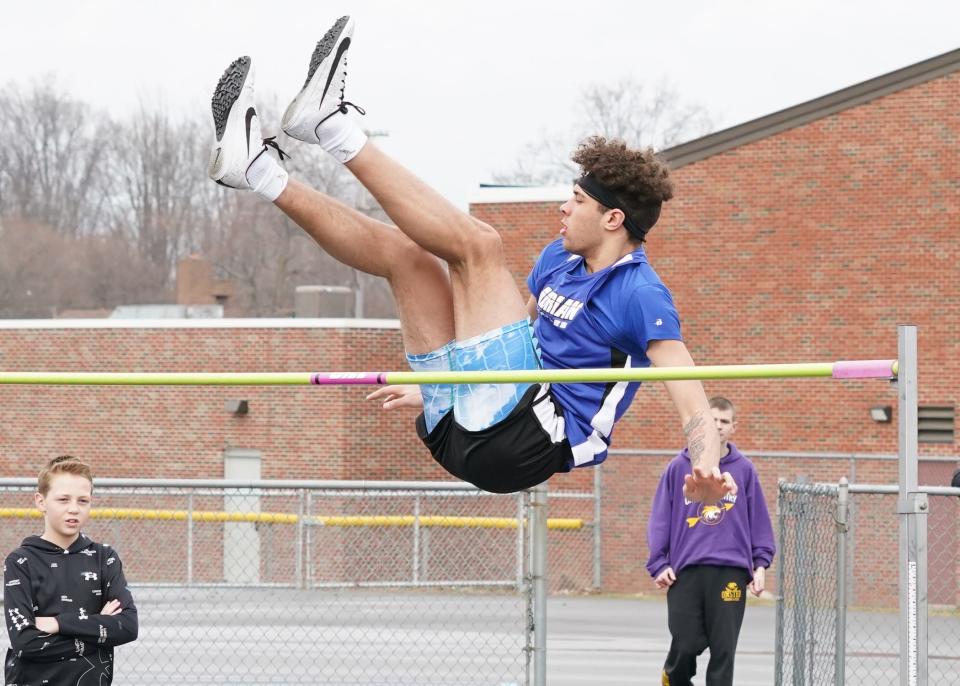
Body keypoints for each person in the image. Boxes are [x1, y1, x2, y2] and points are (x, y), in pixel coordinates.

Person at [206, 15, 735, 502]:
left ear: (613, 220)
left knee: (478, 249)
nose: (562, 207)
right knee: (406, 256)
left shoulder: (639, 293)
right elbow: (508, 336)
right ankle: (255, 169)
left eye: (577, 200)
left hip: (527, 438)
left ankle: (331, 128)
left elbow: (693, 405)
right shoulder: (558, 260)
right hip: (459, 426)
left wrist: (707, 467)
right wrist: (447, 385)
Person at [646, 397, 775, 686]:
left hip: (730, 571)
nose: (718, 426)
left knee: (723, 651)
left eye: (724, 421)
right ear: (699, 425)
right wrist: (658, 563)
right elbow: (660, 519)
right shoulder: (678, 467)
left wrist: (760, 565)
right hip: (686, 571)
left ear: (733, 427)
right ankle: (672, 676)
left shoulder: (744, 470)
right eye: (712, 419)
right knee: (686, 643)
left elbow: (759, 521)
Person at [3, 456, 138, 685]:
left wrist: (58, 624)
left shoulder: (104, 558)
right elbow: (26, 643)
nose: (74, 509)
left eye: (83, 500)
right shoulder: (20, 562)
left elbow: (127, 626)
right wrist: (99, 627)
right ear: (41, 501)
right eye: (63, 499)